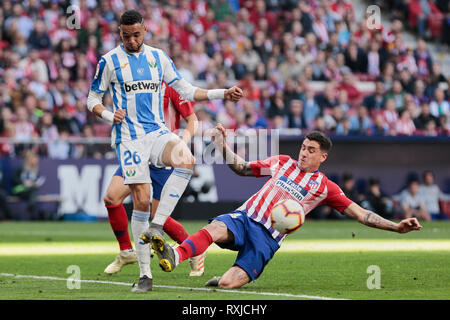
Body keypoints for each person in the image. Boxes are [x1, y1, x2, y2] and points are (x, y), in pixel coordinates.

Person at [145, 128, 423, 289]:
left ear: (322, 157)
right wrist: (223, 146)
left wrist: (396, 227)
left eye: (311, 150)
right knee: (215, 228)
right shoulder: (281, 162)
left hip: (267, 239)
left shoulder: (324, 187)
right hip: (246, 217)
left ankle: (222, 279)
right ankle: (176, 255)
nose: (303, 152)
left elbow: (362, 214)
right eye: (303, 147)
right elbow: (242, 169)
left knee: (228, 285)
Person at [86, 10, 243, 292]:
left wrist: (222, 92)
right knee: (141, 202)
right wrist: (110, 116)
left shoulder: (158, 57)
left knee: (187, 158)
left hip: (156, 133)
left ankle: (157, 227)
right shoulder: (109, 61)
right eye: (126, 35)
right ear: (119, 33)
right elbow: (92, 99)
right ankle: (145, 275)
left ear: (145, 30)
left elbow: (186, 89)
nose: (132, 40)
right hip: (129, 140)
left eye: (136, 34)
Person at [103, 81, 206, 277]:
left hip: (163, 154)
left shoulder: (172, 87)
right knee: (111, 197)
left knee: (159, 217)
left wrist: (181, 145)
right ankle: (126, 252)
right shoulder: (133, 86)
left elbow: (192, 120)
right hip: (137, 151)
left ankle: (195, 249)